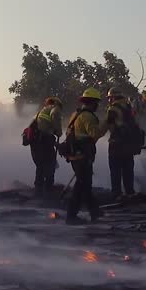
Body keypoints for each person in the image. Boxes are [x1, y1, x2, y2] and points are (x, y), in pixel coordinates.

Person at [62, 88, 106, 224]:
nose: (97, 105)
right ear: (93, 103)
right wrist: (106, 124)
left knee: (85, 184)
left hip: (74, 155)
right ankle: (71, 216)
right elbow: (95, 134)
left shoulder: (75, 114)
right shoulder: (88, 116)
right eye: (97, 102)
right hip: (82, 157)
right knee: (81, 186)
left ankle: (94, 211)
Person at [23, 97, 63, 195]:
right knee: (50, 163)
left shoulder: (41, 111)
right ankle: (48, 188)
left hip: (35, 142)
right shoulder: (55, 109)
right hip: (44, 141)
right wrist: (58, 132)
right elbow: (55, 120)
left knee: (40, 165)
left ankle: (38, 188)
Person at [104, 89, 141, 198]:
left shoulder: (112, 109)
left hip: (116, 144)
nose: (109, 100)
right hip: (129, 144)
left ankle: (117, 194)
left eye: (109, 98)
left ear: (113, 97)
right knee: (128, 169)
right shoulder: (129, 107)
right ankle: (130, 192)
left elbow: (108, 125)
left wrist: (94, 137)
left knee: (115, 170)